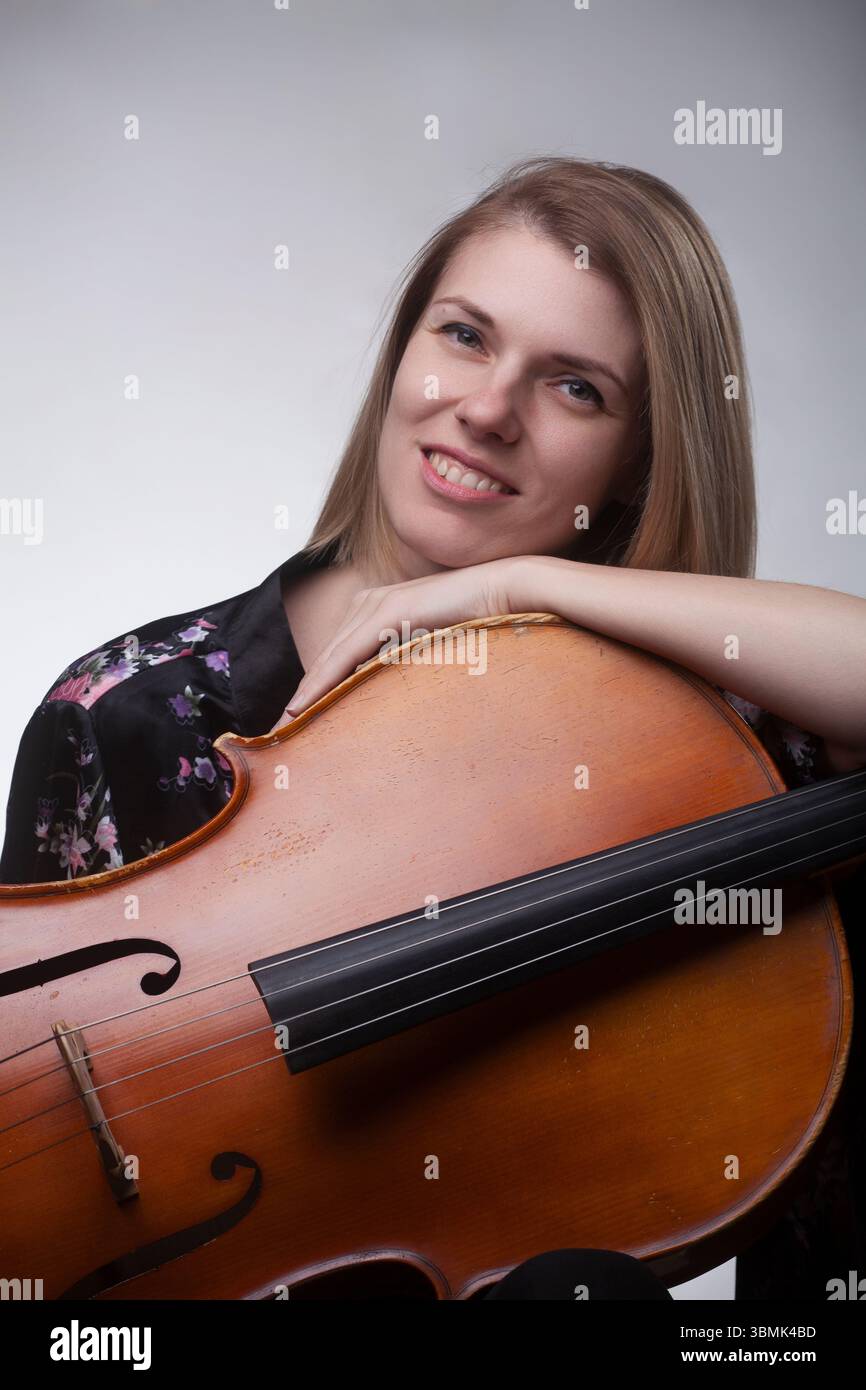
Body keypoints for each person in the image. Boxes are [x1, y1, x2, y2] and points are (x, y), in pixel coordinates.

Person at [2, 156, 864, 1301]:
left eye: (576, 388)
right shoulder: (128, 711)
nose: (488, 409)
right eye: (464, 335)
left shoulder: (693, 746)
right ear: (404, 350)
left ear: (636, 464)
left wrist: (526, 593)